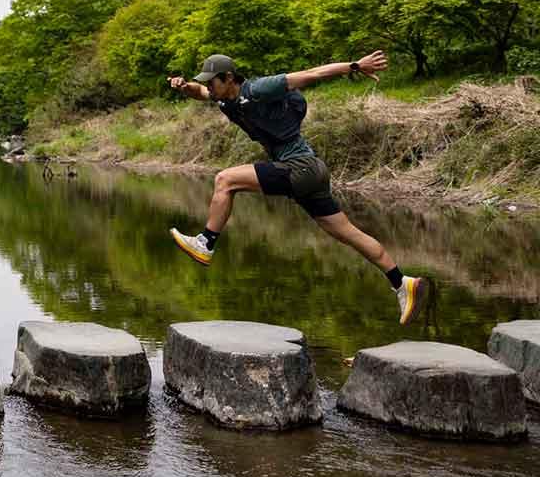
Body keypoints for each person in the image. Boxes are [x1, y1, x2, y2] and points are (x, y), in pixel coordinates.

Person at [166, 51, 432, 325]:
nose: (209, 87)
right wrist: (185, 87)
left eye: (213, 82)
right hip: (310, 172)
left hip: (301, 167)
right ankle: (403, 283)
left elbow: (312, 74)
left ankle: (205, 243)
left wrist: (354, 66)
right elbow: (200, 93)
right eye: (207, 83)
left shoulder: (258, 89)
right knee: (348, 233)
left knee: (225, 180)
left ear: (229, 78)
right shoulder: (226, 100)